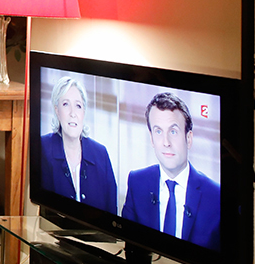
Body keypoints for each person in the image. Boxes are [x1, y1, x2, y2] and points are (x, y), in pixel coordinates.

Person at [120, 92, 221, 251]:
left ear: (188, 139)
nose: (166, 142)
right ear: (152, 139)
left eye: (173, 131)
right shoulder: (137, 182)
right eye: (158, 131)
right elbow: (127, 242)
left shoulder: (216, 196)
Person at [38, 76, 117, 214]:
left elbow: (111, 212)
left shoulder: (100, 154)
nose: (73, 113)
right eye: (66, 104)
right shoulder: (43, 147)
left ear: (83, 112)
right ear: (57, 110)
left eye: (78, 106)